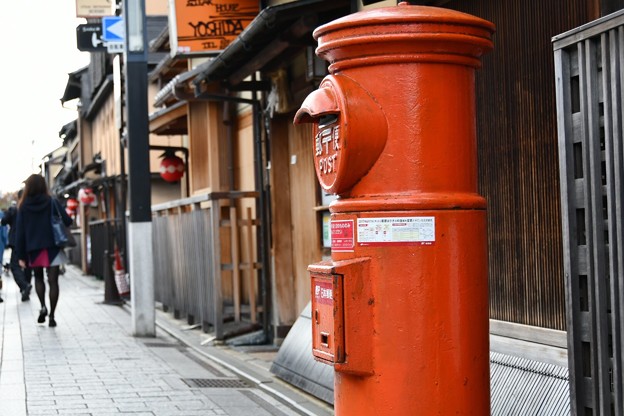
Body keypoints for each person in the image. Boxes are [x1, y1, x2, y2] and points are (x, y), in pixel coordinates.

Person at [16, 174, 72, 327]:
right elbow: (68, 220)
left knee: (39, 278)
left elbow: (19, 233)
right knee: (53, 281)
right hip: (53, 247)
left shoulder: (23, 206)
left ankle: (43, 307)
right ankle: (52, 316)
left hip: (34, 249)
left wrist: (20, 255)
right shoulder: (52, 201)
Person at [2, 194, 33, 301]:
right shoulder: (31, 208)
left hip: (17, 242)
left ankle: (24, 286)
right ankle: (26, 287)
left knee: (15, 266)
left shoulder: (14, 209)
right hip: (30, 242)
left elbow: (4, 221)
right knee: (28, 265)